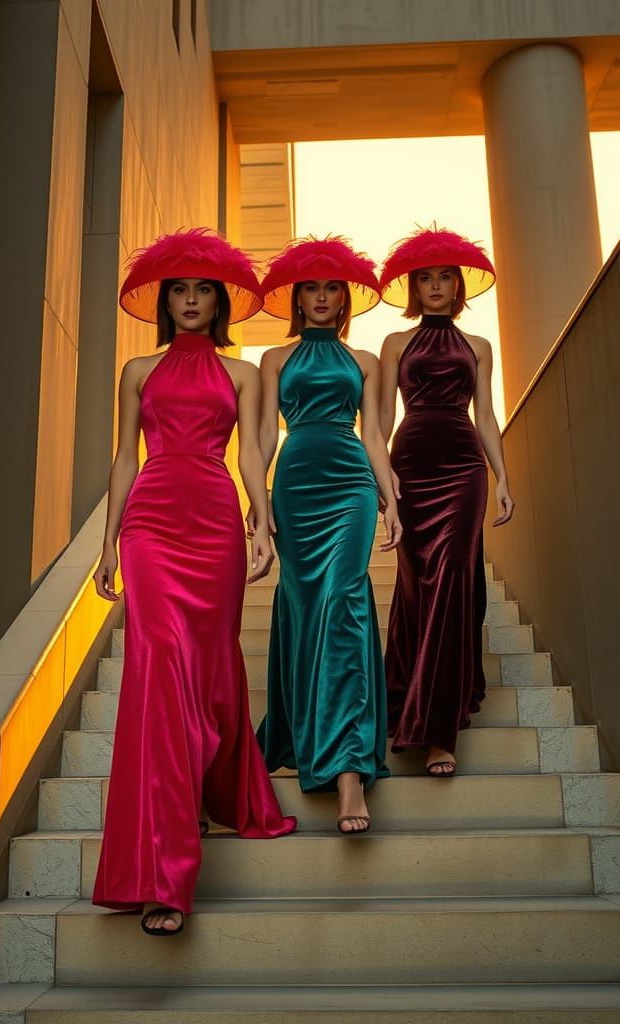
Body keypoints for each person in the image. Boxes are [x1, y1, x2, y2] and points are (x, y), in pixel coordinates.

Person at [91, 228, 296, 937]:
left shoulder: (242, 374)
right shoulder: (137, 370)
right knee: (157, 671)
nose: (189, 300)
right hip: (150, 523)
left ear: (219, 301)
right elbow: (124, 457)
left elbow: (250, 458)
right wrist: (109, 542)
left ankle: (209, 789)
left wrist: (261, 522)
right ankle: (163, 874)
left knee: (209, 671)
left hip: (213, 523)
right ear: (164, 300)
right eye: (178, 289)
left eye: (202, 290)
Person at [252, 236, 401, 834]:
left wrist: (390, 500)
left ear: (345, 298)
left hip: (350, 487)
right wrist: (258, 507)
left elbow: (374, 437)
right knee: (305, 607)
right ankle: (304, 729)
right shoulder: (273, 359)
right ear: (297, 298)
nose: (320, 297)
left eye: (331, 288)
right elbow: (263, 438)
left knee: (343, 604)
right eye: (311, 288)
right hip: (295, 486)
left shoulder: (364, 361)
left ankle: (348, 771)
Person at [378, 227, 514, 777]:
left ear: (458, 285)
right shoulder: (394, 343)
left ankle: (438, 731)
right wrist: (382, 477)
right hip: (410, 465)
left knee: (453, 582)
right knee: (416, 587)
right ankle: (407, 697)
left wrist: (502, 477)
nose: (435, 286)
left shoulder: (478, 346)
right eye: (425, 278)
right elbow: (380, 420)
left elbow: (487, 416)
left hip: (463, 469)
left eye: (444, 277)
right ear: (414, 287)